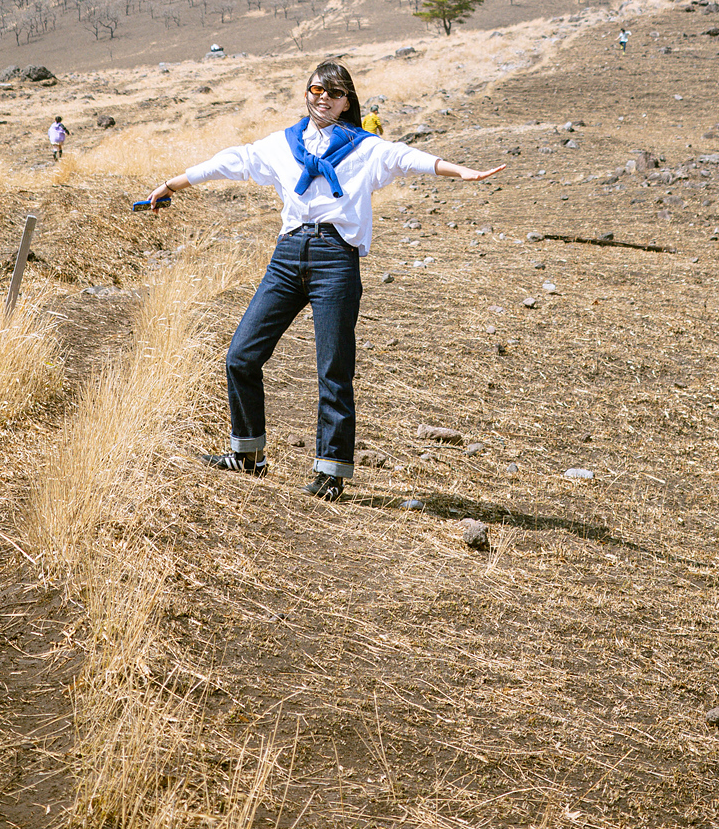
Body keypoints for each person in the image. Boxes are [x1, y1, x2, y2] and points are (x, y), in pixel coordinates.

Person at [143, 59, 502, 501]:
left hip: (336, 259)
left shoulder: (365, 148)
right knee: (241, 355)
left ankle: (331, 473)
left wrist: (458, 170)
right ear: (306, 94)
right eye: (316, 90)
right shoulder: (282, 145)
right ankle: (248, 454)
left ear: (347, 102)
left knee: (333, 367)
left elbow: (406, 158)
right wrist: (172, 184)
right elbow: (231, 162)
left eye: (334, 93)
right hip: (287, 255)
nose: (323, 99)